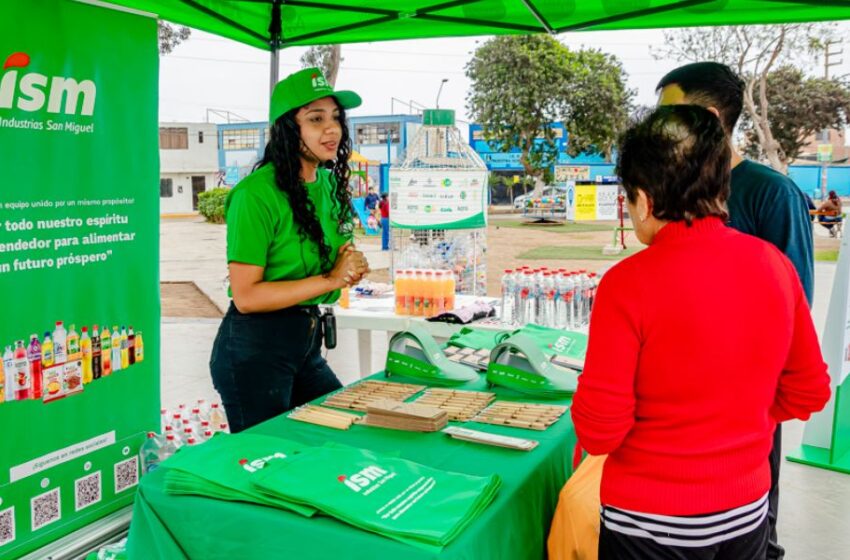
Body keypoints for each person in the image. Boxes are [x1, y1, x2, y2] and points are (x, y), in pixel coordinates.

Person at [571, 105, 830, 559]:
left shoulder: (627, 283)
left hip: (646, 522)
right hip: (745, 513)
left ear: (645, 200)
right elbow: (809, 391)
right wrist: (744, 422)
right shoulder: (775, 266)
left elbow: (600, 431)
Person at [657, 61, 814, 560]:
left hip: (747, 403)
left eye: (667, 114)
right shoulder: (675, 189)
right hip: (677, 397)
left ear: (705, 115)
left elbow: (794, 307)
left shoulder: (771, 192)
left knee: (749, 528)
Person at [209, 67, 370, 433]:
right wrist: (330, 277)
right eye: (316, 119)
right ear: (286, 128)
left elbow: (344, 251)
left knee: (344, 433)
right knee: (267, 465)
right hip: (255, 352)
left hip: (304, 345)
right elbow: (247, 296)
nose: (331, 129)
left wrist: (352, 263)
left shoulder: (329, 184)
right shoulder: (255, 195)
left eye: (335, 118)